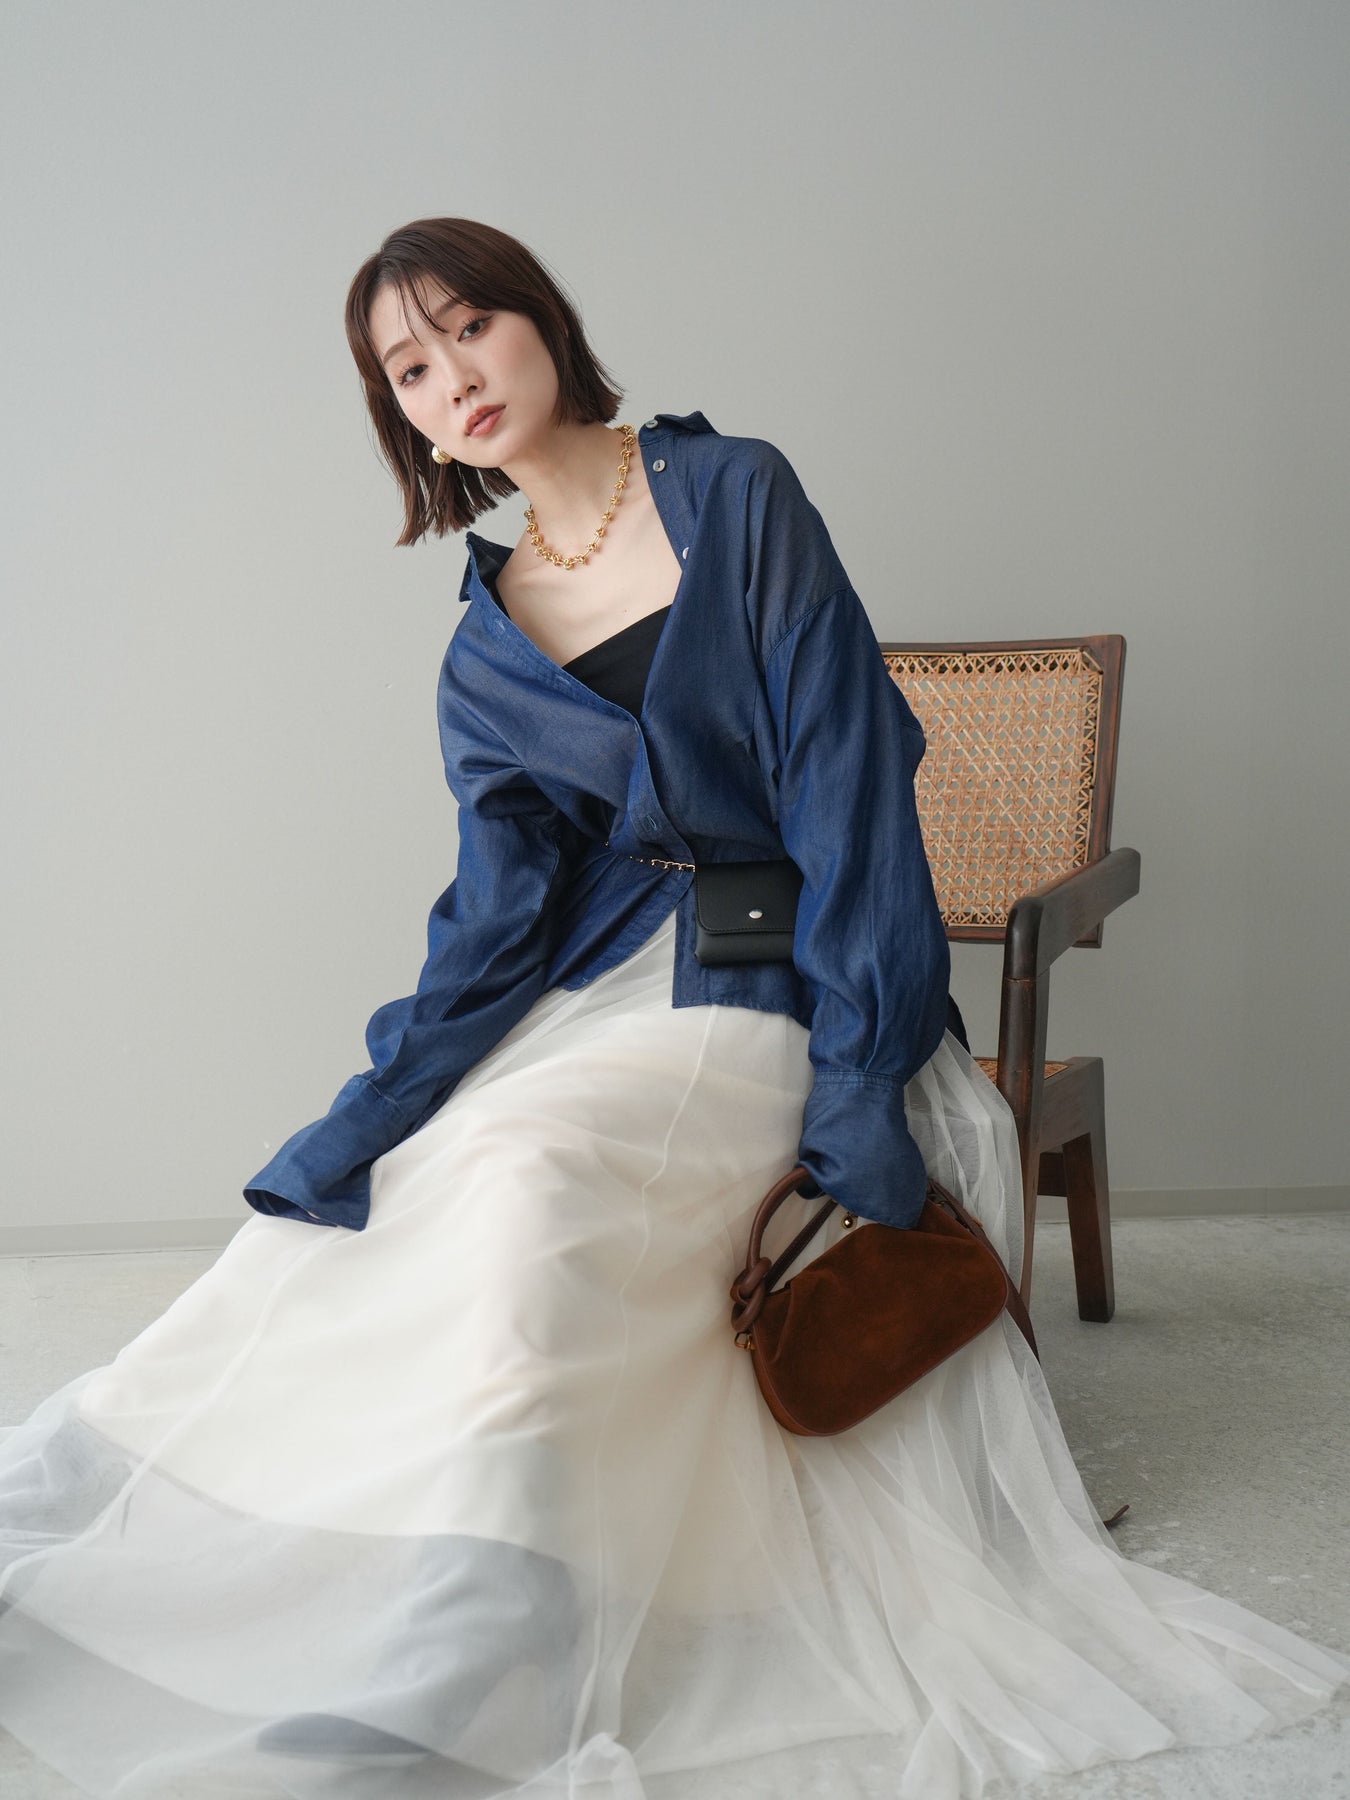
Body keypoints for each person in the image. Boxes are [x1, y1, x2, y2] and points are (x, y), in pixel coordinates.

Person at [0, 217, 1344, 1800]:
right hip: (610, 993)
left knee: (534, 1173)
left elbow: (850, 783)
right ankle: (358, 1571)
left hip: (799, 982)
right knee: (425, 1183)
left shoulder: (732, 494)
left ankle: (479, 1629)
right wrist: (375, 1101)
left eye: (469, 328)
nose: (452, 379)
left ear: (542, 322)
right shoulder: (483, 648)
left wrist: (862, 1073)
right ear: (401, 420)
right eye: (408, 370)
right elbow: (496, 920)